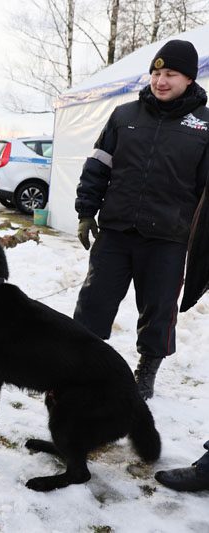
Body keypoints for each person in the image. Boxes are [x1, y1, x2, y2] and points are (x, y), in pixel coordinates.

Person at [73, 39, 209, 400]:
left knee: (159, 309)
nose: (161, 81)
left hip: (169, 237)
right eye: (156, 73)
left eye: (171, 74)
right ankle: (82, 366)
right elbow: (98, 165)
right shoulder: (124, 116)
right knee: (94, 302)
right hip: (116, 231)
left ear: (190, 79)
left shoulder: (205, 126)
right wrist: (87, 211)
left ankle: (146, 371)